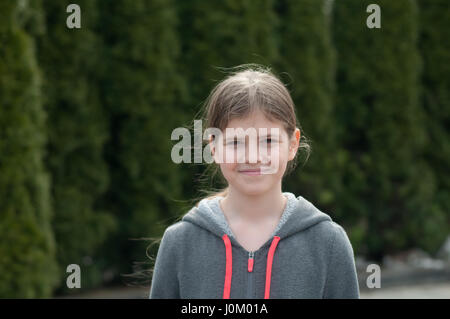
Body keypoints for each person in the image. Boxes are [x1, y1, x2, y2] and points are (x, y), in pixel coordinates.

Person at [149, 65, 360, 299]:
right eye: (236, 142)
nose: (252, 156)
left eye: (268, 140)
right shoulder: (180, 243)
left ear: (292, 144)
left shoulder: (328, 243)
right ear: (214, 147)